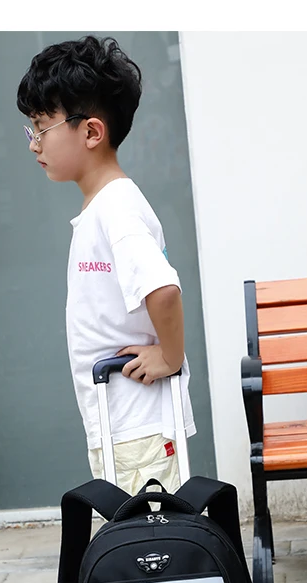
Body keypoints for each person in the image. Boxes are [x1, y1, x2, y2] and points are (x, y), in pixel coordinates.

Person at [17, 36, 196, 495]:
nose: (34, 144)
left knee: (147, 533)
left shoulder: (117, 209)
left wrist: (170, 357)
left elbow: (163, 289)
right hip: (121, 422)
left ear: (92, 132)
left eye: (41, 127)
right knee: (134, 532)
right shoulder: (104, 207)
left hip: (138, 426)